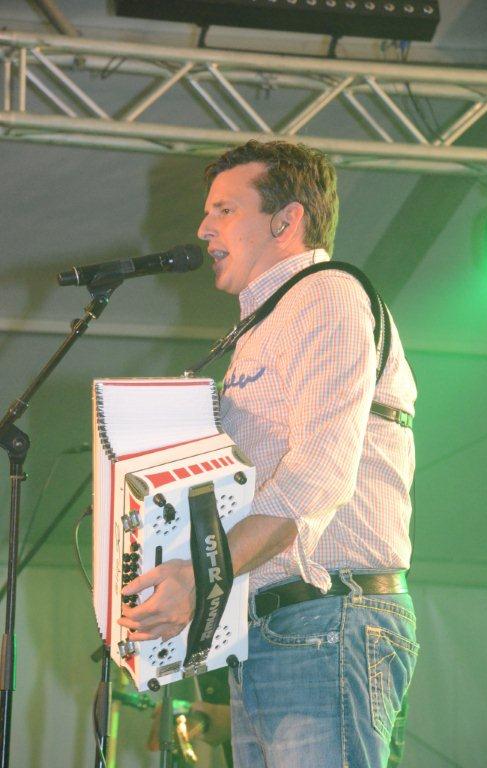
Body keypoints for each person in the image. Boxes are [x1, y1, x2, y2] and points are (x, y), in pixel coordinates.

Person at [119, 140, 419, 768]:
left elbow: (317, 477)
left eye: (225, 210)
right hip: (275, 629)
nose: (203, 228)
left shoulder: (326, 294)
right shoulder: (265, 326)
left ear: (287, 220)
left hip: (327, 621)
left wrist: (198, 577)